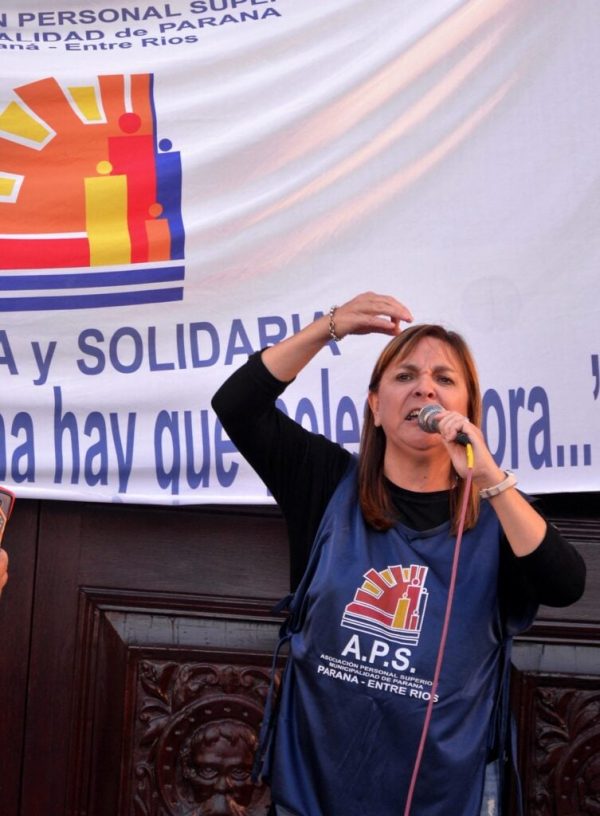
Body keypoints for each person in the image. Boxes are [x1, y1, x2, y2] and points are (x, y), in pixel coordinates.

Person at [211, 292, 586, 816]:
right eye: (405, 375)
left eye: (444, 379)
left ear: (466, 412)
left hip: (443, 797)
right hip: (312, 792)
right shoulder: (323, 481)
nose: (424, 388)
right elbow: (236, 405)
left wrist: (490, 479)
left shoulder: (501, 515)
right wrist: (329, 327)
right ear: (375, 406)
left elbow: (566, 585)